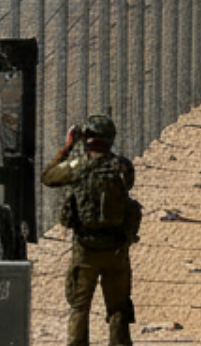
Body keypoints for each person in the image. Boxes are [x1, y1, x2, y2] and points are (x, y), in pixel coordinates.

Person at [42, 114, 139, 346]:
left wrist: (67, 147)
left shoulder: (78, 166)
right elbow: (128, 187)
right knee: (118, 308)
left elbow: (48, 177)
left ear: (86, 137)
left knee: (79, 307)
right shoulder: (122, 166)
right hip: (116, 249)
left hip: (85, 249)